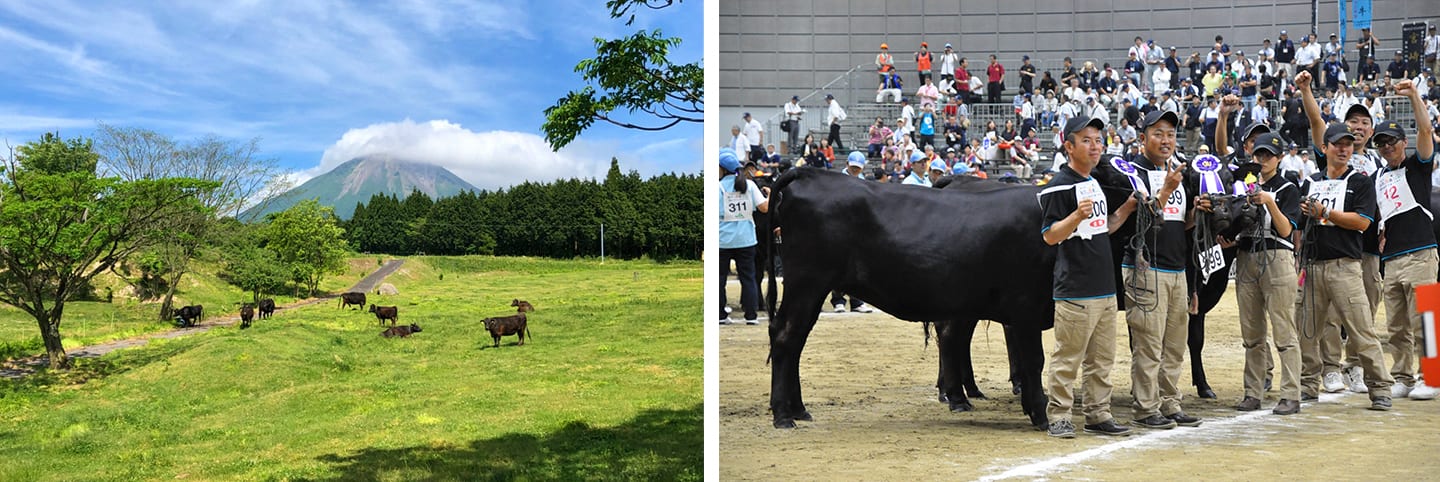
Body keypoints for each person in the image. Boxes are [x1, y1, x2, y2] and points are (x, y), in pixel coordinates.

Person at [1295, 72, 1396, 409]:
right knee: (1308, 331)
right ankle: (1309, 385)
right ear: (1324, 148)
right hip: (1313, 264)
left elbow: (1363, 222)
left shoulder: (1361, 181)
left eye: (1348, 145)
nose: (1343, 149)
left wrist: (1326, 213)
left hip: (1346, 265)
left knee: (1361, 328)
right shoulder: (1310, 180)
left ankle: (1379, 387)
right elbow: (1299, 224)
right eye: (1337, 144)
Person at [1039, 116, 1139, 438]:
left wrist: (1126, 209)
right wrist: (1076, 215)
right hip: (1076, 288)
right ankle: (1059, 416)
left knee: (1101, 359)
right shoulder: (1059, 185)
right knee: (1067, 358)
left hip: (1103, 288)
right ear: (1069, 146)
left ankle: (1098, 413)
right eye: (1086, 140)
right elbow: (1050, 236)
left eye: (1098, 140)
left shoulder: (1093, 183)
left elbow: (1103, 227)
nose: (1095, 146)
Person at [1119, 110, 1202, 429]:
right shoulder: (1131, 172)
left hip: (1177, 267)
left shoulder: (1180, 173)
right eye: (1158, 133)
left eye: (1170, 134)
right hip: (1145, 266)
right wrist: (1166, 189)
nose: (1166, 140)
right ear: (1142, 139)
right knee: (1148, 342)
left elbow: (1184, 225)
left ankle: (1170, 402)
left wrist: (1197, 213)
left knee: (1174, 343)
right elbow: (1139, 221)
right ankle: (1145, 406)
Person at [1372, 81, 1440, 401]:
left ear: (1403, 142)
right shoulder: (1380, 177)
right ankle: (1403, 375)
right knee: (1397, 326)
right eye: (1381, 144)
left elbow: (1426, 132)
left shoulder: (1419, 166)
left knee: (1425, 319)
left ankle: (1432, 375)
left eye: (1391, 142)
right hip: (1392, 259)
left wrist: (1414, 96)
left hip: (1421, 255)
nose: (1386, 147)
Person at [1229, 132, 1304, 415]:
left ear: (1279, 158)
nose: (1261, 160)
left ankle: (1291, 394)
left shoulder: (1287, 187)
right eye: (1258, 155)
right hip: (1246, 254)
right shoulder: (1243, 185)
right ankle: (1253, 391)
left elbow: (1287, 230)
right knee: (1252, 332)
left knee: (1284, 330)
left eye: (1267, 156)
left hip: (1277, 256)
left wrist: (1269, 201)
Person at [718, 148, 768, 325]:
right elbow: (764, 208)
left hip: (722, 239)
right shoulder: (750, 186)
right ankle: (751, 315)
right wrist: (770, 195)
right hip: (746, 238)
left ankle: (721, 315)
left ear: (723, 169)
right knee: (748, 277)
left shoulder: (718, 187)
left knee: (720, 279)